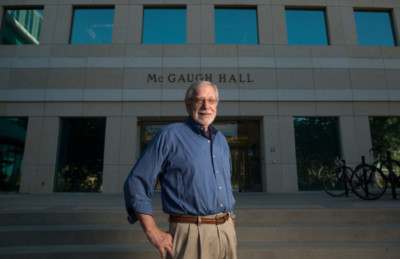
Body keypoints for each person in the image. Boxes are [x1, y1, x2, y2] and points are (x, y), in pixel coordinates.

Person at [124, 81, 237, 259]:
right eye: (199, 100)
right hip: (190, 233)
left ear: (216, 104)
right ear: (187, 104)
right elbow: (136, 182)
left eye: (211, 100)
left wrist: (229, 225)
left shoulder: (221, 140)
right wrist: (152, 230)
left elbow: (225, 186)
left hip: (226, 232)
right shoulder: (169, 136)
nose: (206, 106)